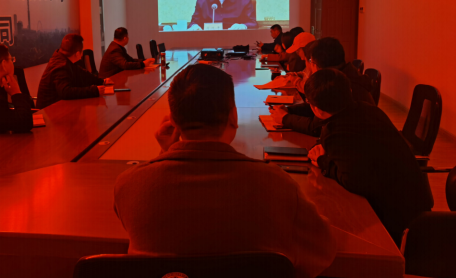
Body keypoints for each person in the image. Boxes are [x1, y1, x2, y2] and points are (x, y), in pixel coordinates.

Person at [114, 64, 336, 278]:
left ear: (172, 120)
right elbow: (322, 253)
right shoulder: (277, 184)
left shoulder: (129, 184)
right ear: (233, 116)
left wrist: (165, 154)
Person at [306, 69, 433, 246]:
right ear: (349, 91)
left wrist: (323, 161)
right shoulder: (369, 109)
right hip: (415, 200)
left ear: (317, 110)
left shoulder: (336, 132)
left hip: (396, 217)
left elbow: (354, 181)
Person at [270, 37, 374, 136]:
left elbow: (317, 127)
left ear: (317, 65)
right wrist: (289, 110)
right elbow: (318, 106)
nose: (310, 67)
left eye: (311, 61)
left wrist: (285, 118)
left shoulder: (336, 85)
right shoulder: (343, 75)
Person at [36, 33, 112, 109]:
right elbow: (66, 92)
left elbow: (83, 74)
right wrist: (94, 90)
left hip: (59, 107)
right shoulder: (60, 65)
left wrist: (102, 81)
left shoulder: (64, 59)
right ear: (78, 53)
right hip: (49, 111)